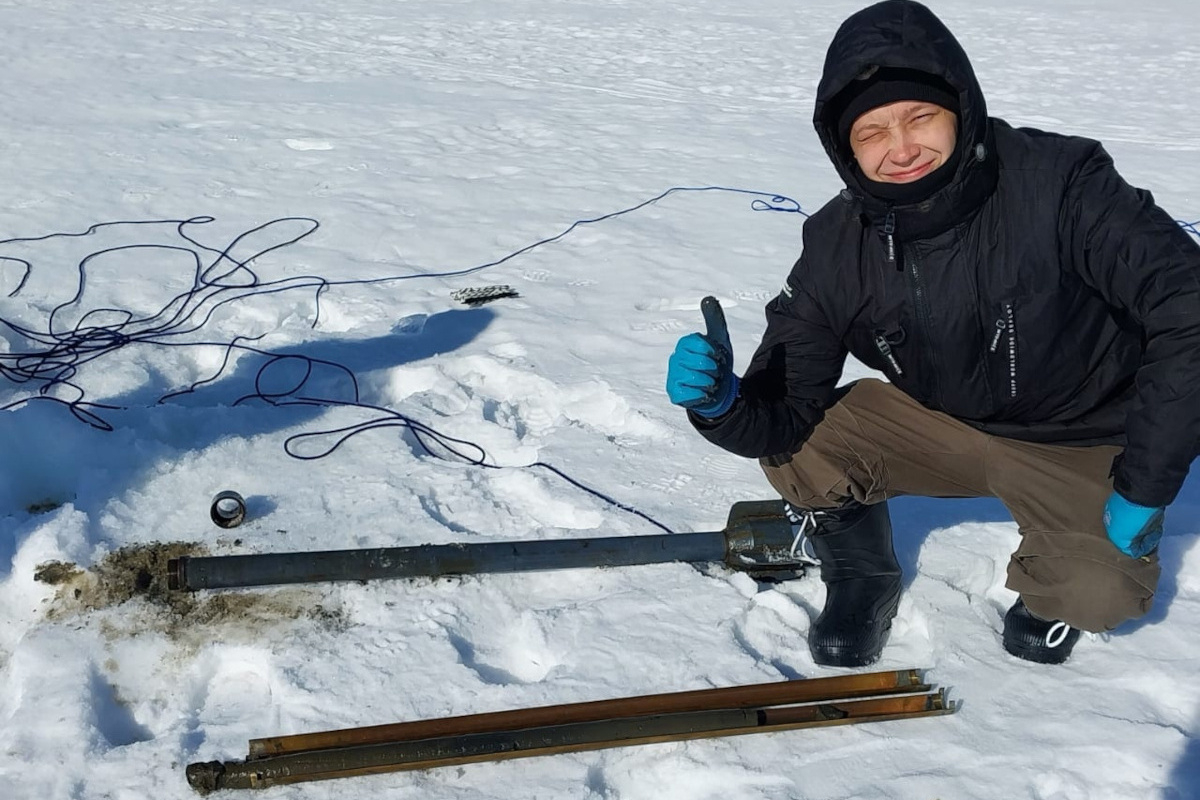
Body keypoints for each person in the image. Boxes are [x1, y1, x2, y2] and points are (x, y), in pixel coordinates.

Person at [666, 0, 1200, 667]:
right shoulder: (837, 245)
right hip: (944, 423)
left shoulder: (1062, 184)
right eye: (872, 132)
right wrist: (721, 405)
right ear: (844, 146)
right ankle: (863, 573)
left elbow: (1187, 302)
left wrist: (1144, 482)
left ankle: (1050, 590)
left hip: (1085, 438)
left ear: (960, 107)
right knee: (804, 446)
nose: (902, 148)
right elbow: (783, 410)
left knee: (1097, 594)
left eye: (920, 117)